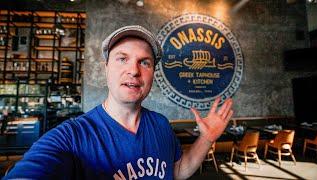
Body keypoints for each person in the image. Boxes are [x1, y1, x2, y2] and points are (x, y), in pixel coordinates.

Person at [4, 25, 233, 179]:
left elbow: (178, 170)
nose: (133, 71)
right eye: (122, 59)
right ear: (106, 69)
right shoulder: (71, 137)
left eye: (144, 62)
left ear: (153, 73)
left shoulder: (161, 125)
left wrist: (206, 138)